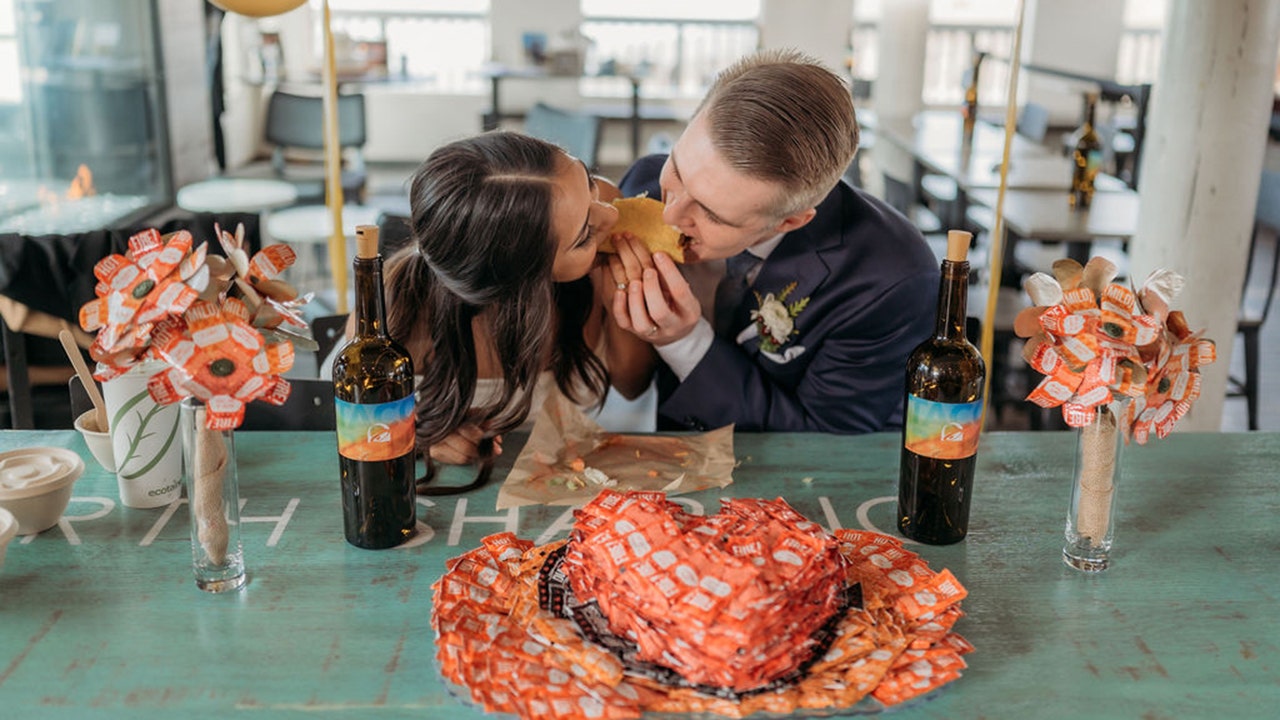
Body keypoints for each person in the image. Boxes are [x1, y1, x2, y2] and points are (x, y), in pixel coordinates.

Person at [608, 49, 939, 433]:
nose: (670, 214)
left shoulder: (891, 278)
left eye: (713, 215)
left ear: (790, 221)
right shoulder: (644, 185)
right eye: (678, 169)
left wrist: (684, 341)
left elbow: (821, 438)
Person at [329, 131, 653, 483]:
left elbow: (632, 384)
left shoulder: (600, 209)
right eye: (584, 236)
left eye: (587, 182)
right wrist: (418, 436)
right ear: (516, 284)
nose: (610, 216)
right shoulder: (393, 318)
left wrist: (625, 300)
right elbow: (361, 431)